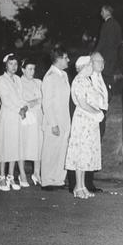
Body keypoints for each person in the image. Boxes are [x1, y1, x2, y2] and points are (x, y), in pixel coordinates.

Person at [65, 55, 104, 199]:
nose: (91, 68)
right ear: (83, 67)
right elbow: (82, 103)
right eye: (89, 65)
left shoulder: (87, 80)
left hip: (89, 120)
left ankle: (82, 185)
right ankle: (78, 186)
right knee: (80, 153)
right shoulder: (79, 80)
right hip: (83, 119)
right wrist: (96, 112)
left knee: (86, 153)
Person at [0, 54, 29, 191]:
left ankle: (11, 175)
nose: (14, 67)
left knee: (15, 146)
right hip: (8, 115)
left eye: (16, 64)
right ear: (6, 65)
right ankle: (2, 176)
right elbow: (6, 100)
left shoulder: (17, 79)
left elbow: (21, 97)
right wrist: (19, 110)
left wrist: (25, 106)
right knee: (5, 145)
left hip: (18, 116)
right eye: (11, 64)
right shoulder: (0, 80)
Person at [40, 46, 71, 190]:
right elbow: (46, 103)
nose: (68, 60)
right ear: (58, 59)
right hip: (53, 121)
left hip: (64, 119)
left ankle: (58, 179)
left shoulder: (63, 75)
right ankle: (47, 180)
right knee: (50, 151)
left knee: (62, 151)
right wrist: (53, 123)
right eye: (65, 58)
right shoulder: (50, 77)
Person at [83, 52, 109, 194]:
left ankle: (89, 182)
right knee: (86, 148)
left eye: (103, 61)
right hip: (90, 116)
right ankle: (82, 182)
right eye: (98, 61)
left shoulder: (102, 78)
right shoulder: (87, 78)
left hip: (101, 116)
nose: (102, 64)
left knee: (94, 149)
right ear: (91, 62)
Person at [18, 58, 43, 186]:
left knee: (38, 145)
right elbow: (21, 102)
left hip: (38, 117)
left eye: (33, 69)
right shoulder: (18, 82)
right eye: (29, 69)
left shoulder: (38, 82)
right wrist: (34, 102)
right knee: (23, 145)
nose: (32, 71)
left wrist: (34, 102)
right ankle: (22, 173)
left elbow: (42, 99)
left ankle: (36, 173)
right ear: (23, 69)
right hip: (26, 119)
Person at [94, 5, 122, 94]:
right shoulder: (117, 24)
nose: (101, 13)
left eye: (102, 11)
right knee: (110, 75)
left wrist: (95, 52)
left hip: (105, 55)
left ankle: (105, 96)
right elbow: (119, 41)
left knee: (104, 76)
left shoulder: (105, 25)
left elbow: (102, 41)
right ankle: (110, 94)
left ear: (107, 12)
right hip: (114, 55)